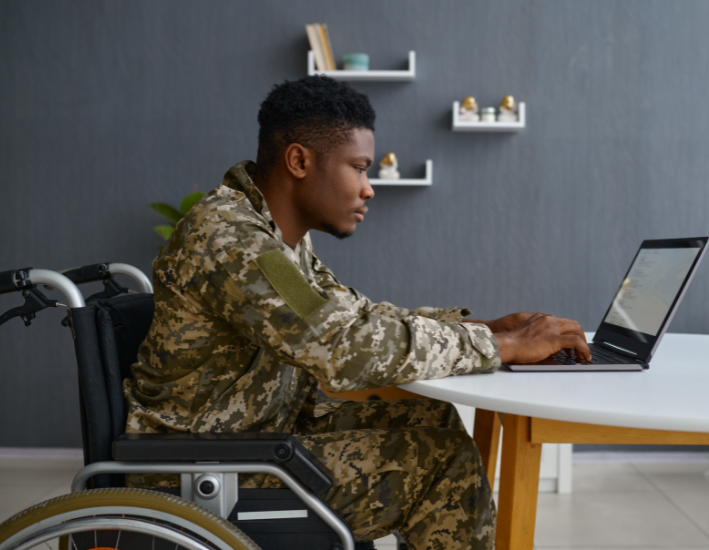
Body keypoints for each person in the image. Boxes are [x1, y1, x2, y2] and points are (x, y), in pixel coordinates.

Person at [124, 75, 591, 550]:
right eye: (360, 168)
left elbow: (353, 319)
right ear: (300, 161)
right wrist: (502, 346)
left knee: (433, 419)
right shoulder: (236, 241)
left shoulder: (275, 240)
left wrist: (478, 326)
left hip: (256, 439)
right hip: (206, 469)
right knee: (438, 463)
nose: (368, 189)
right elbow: (342, 349)